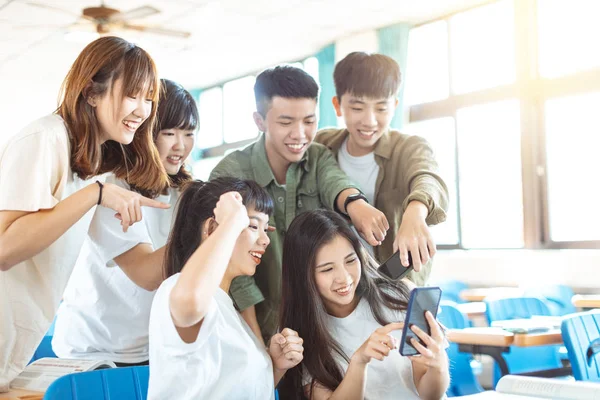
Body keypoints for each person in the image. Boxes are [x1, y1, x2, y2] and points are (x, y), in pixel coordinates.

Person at [0, 36, 170, 391]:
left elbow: (142, 267)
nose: (143, 110)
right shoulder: (45, 138)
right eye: (132, 94)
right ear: (91, 93)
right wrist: (95, 196)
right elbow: (3, 248)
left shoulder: (92, 166)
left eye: (149, 98)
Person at [210, 65, 389, 343]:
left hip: (322, 324)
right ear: (259, 120)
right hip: (255, 325)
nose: (300, 134)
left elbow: (334, 181)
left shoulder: (317, 157)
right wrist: (259, 343)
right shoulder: (229, 173)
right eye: (286, 122)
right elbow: (231, 265)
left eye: (309, 121)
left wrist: (357, 205)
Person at [52, 79, 199, 366]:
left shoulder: (184, 193)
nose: (180, 145)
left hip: (153, 347)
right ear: (144, 132)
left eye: (189, 133)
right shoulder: (110, 188)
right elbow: (146, 274)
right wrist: (208, 232)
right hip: (96, 350)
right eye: (169, 132)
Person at [148, 177, 304, 399]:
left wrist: (275, 365)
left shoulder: (229, 309)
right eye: (252, 226)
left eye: (265, 229)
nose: (266, 240)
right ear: (212, 227)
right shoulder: (176, 288)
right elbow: (190, 304)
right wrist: (232, 221)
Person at [279, 209, 450, 400]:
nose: (344, 278)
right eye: (327, 269)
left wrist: (438, 363)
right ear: (303, 276)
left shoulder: (397, 295)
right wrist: (359, 362)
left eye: (351, 260)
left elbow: (430, 394)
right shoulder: (300, 335)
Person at [315, 52, 449, 285]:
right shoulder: (322, 144)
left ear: (394, 106)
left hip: (394, 288)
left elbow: (428, 177)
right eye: (357, 108)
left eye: (381, 108)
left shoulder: (409, 147)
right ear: (338, 105)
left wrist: (415, 212)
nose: (369, 120)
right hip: (334, 290)